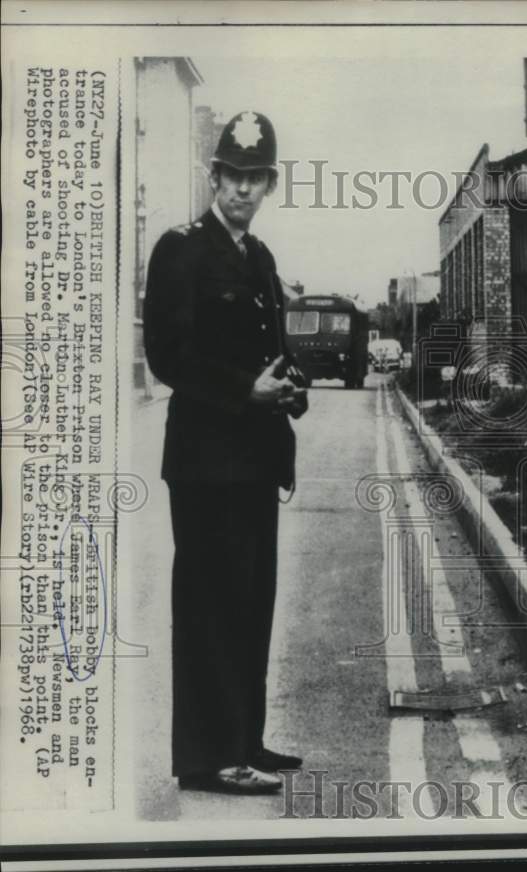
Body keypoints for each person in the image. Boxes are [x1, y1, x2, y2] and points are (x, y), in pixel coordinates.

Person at [143, 111, 308, 795]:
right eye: (232, 176)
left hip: (255, 460)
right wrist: (248, 390)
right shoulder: (180, 249)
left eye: (256, 178)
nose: (243, 190)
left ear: (269, 183)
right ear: (214, 176)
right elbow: (169, 356)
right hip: (207, 462)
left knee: (252, 602)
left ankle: (245, 741)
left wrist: (290, 386)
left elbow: (274, 349)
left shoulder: (260, 257)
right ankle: (210, 758)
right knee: (211, 605)